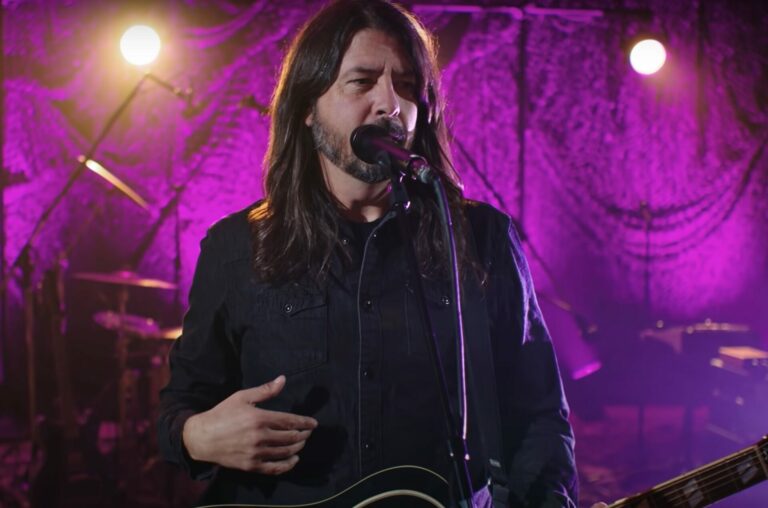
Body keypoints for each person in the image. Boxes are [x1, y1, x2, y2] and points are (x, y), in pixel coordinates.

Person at [157, 0, 577, 506]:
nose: (390, 105)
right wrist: (196, 436)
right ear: (308, 107)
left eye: (405, 85)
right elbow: (179, 407)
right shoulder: (235, 248)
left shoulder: (481, 238)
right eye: (362, 82)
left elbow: (537, 414)